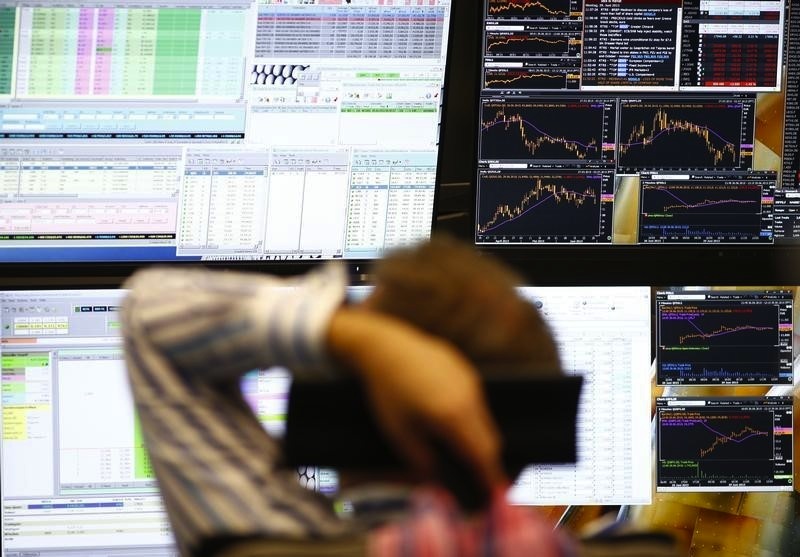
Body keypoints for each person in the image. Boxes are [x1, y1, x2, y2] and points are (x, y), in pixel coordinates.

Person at [120, 236, 671, 557]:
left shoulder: (271, 543)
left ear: (342, 408)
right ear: (536, 416)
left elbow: (148, 314)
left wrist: (359, 341)